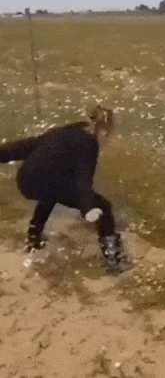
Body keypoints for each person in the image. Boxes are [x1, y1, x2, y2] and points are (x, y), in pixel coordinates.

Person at [0, 105, 130, 273]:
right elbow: (83, 181)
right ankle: (114, 260)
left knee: (53, 190)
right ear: (104, 131)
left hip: (26, 180)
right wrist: (88, 207)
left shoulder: (63, 132)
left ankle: (34, 238)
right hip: (44, 183)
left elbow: (26, 146)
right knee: (104, 206)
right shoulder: (89, 143)